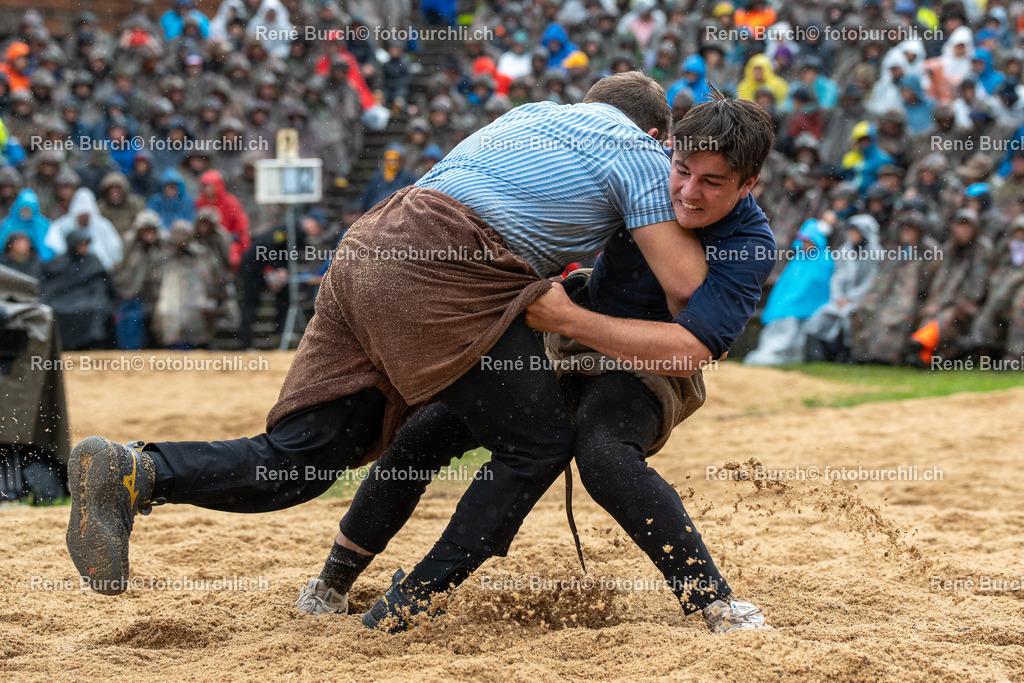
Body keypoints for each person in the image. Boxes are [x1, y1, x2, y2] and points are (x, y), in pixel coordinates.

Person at [64, 73, 708, 611]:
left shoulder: (530, 113)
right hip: (448, 266)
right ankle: (410, 604)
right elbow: (685, 288)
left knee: (306, 455)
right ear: (659, 135)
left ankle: (137, 471)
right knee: (537, 444)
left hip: (370, 247)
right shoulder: (641, 152)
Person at [297, 90, 779, 634]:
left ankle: (715, 603)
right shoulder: (639, 176)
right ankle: (331, 583)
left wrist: (568, 320)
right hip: (567, 330)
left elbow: (691, 349)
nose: (688, 193)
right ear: (665, 150)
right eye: (682, 169)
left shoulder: (750, 241)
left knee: (604, 457)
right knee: (423, 437)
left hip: (647, 363)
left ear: (748, 184)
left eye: (712, 183)